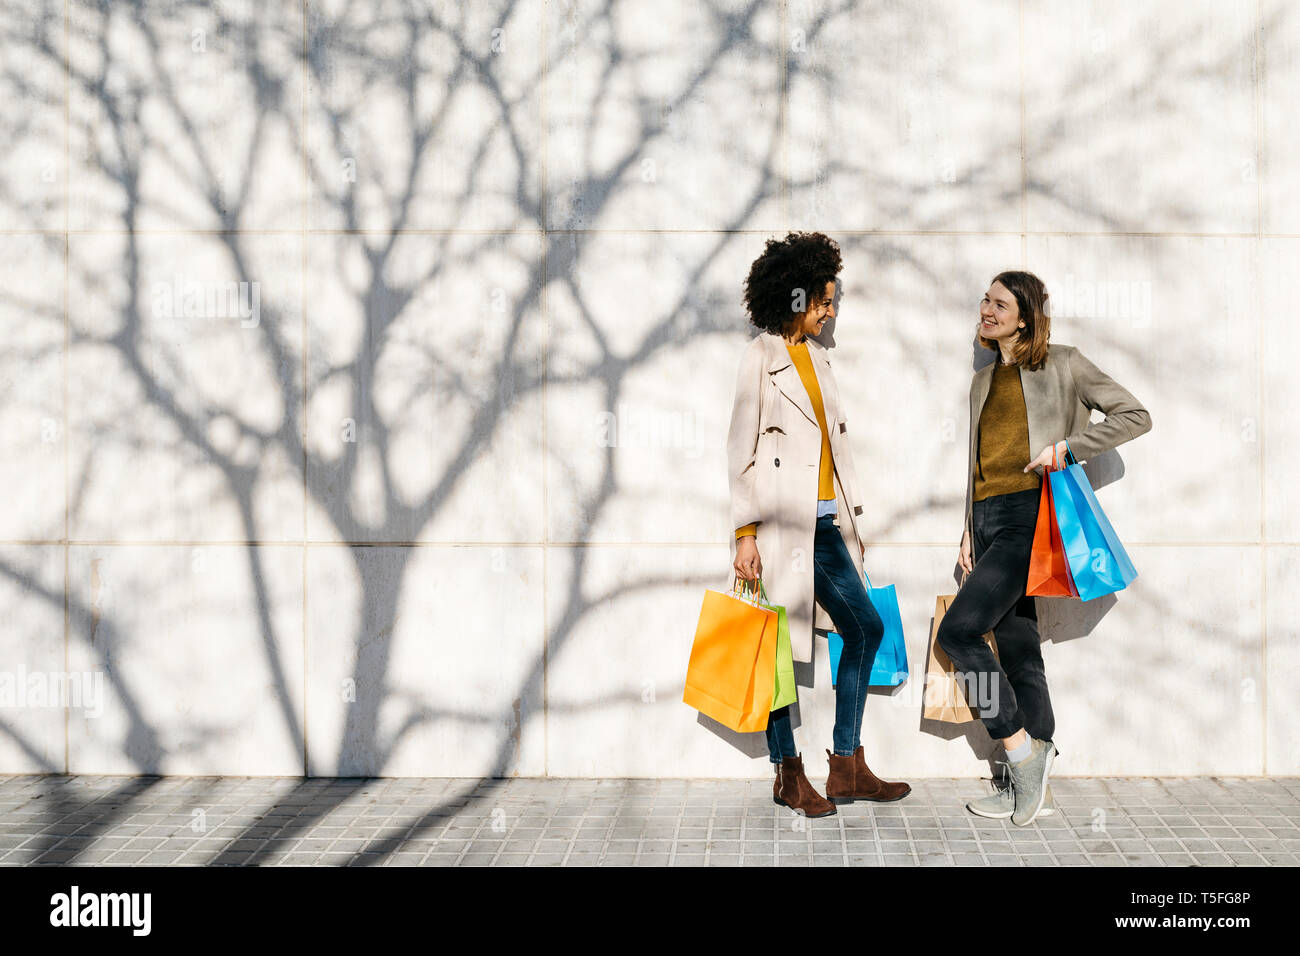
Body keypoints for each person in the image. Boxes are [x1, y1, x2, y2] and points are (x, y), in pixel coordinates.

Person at [936, 271, 1152, 825]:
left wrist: (1067, 448)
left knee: (958, 634)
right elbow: (978, 464)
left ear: (1025, 316)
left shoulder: (1064, 362)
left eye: (1000, 303)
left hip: (1030, 517)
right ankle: (1033, 782)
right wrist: (967, 525)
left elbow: (1135, 415)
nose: (986, 309)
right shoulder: (983, 380)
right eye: (985, 298)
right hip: (986, 522)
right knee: (1017, 644)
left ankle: (1018, 750)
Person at [726, 231, 910, 818]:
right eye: (825, 301)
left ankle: (846, 765)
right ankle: (788, 772)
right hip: (782, 530)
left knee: (865, 628)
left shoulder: (821, 359)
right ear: (796, 296)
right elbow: (741, 451)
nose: (831, 312)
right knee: (776, 647)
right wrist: (745, 534)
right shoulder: (762, 356)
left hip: (828, 527)